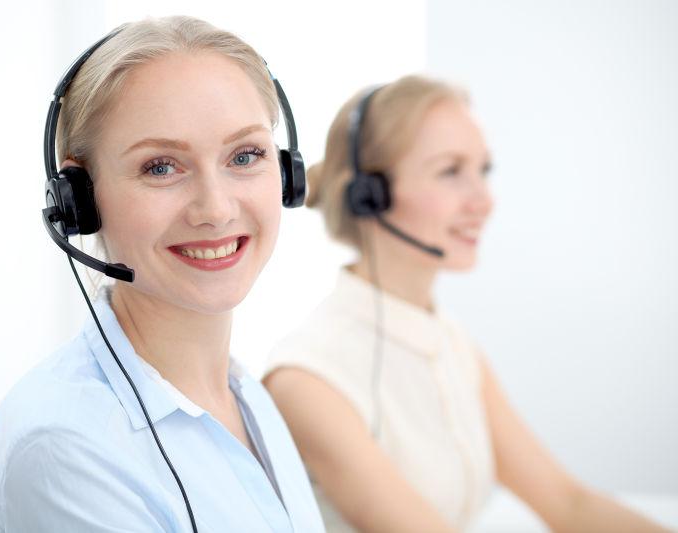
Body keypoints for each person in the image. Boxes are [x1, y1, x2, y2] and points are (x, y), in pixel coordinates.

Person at [262, 76, 671, 532]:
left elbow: (567, 503)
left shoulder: (448, 342)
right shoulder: (309, 379)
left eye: (483, 170)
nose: (484, 201)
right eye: (450, 171)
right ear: (368, 196)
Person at [0, 16, 324, 533]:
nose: (216, 209)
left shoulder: (248, 398)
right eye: (161, 167)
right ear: (81, 199)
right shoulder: (66, 446)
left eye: (245, 156)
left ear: (287, 173)